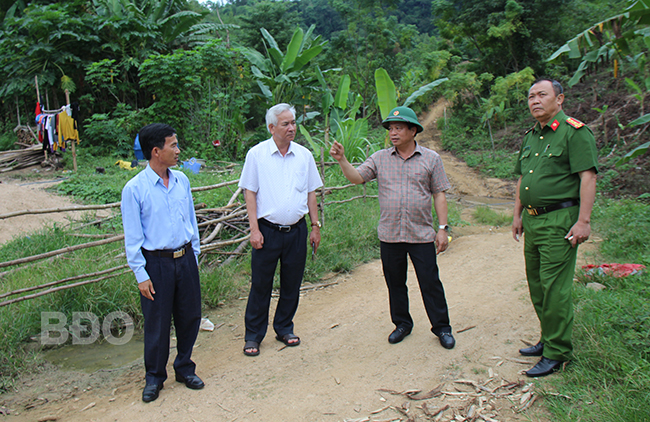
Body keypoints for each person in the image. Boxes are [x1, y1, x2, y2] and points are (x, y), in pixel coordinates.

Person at [330, 106, 455, 349]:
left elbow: (439, 194)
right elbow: (357, 177)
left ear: (412, 130)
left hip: (421, 235)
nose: (393, 133)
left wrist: (442, 228)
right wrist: (342, 159)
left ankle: (442, 328)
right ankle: (402, 324)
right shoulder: (379, 158)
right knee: (395, 282)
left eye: (399, 128)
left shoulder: (431, 159)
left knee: (430, 282)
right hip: (390, 235)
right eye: (391, 129)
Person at [512, 79, 598, 377]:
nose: (535, 100)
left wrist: (583, 221)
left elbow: (588, 177)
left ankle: (558, 352)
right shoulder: (531, 136)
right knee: (536, 284)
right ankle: (547, 339)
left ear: (559, 99)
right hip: (533, 221)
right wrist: (517, 214)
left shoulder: (574, 132)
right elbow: (523, 178)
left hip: (560, 221)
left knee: (555, 289)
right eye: (531, 96)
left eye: (542, 95)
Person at [121, 123, 204, 402]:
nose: (178, 151)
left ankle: (184, 367)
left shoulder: (182, 180)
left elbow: (190, 219)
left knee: (189, 315)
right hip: (156, 264)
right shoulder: (134, 189)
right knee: (157, 323)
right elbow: (133, 236)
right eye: (173, 145)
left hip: (185, 258)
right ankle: (154, 377)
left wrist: (194, 254)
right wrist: (140, 274)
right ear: (156, 152)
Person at [239, 103, 323, 356]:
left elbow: (311, 194)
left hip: (296, 231)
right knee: (261, 285)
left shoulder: (304, 156)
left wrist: (315, 226)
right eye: (285, 124)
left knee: (292, 283)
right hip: (267, 230)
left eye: (293, 123)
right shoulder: (257, 155)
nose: (292, 128)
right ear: (271, 127)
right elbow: (250, 193)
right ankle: (253, 335)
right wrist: (254, 230)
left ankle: (284, 327)